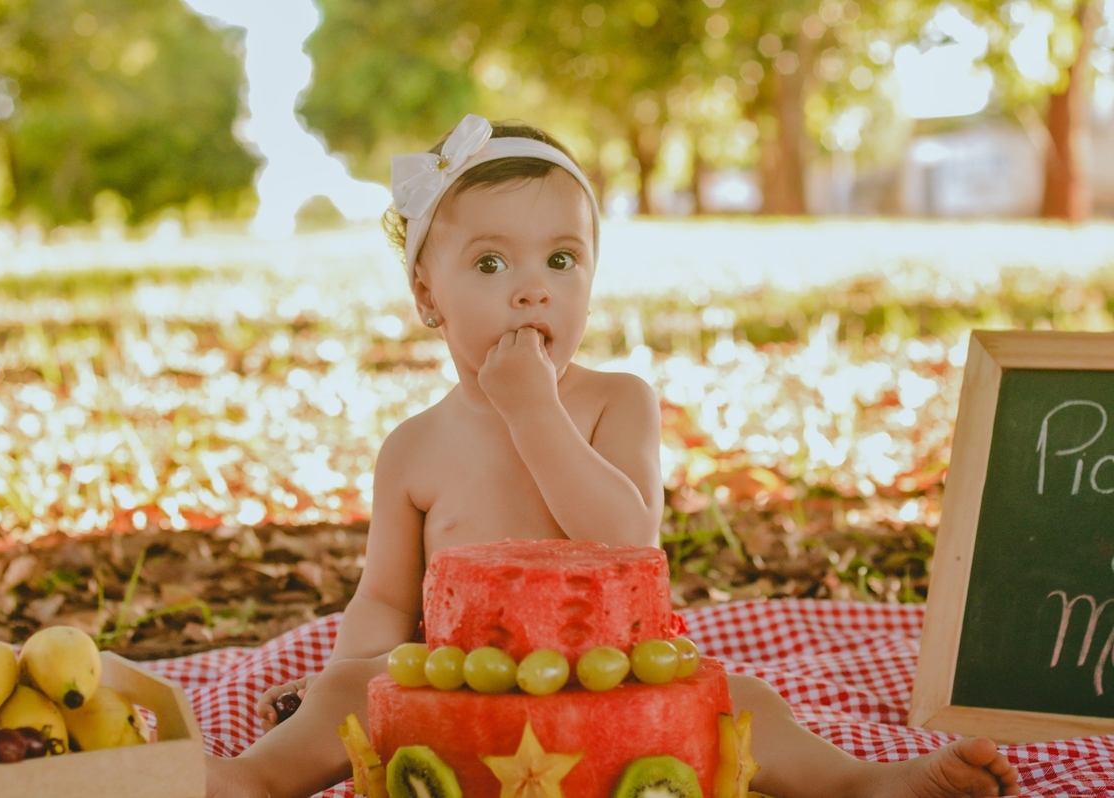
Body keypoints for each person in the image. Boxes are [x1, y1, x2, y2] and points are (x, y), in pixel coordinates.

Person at [207, 115, 1021, 798]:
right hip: (465, 689)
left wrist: (535, 412)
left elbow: (628, 540)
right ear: (427, 296)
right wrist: (356, 675)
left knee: (743, 703)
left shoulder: (614, 402)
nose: (532, 289)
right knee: (341, 694)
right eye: (491, 264)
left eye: (561, 260)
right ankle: (244, 781)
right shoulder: (414, 448)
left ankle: (864, 784)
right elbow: (384, 599)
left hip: (618, 680)